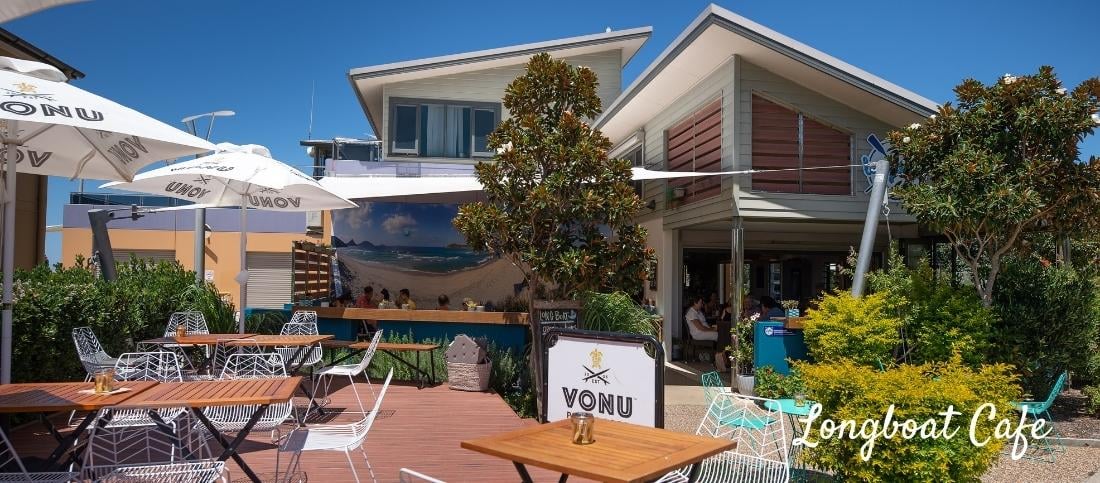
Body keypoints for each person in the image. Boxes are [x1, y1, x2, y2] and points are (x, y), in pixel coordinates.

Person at [685, 296, 724, 371]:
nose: (702, 304)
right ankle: (719, 359)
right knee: (719, 335)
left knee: (721, 333)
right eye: (700, 303)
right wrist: (713, 329)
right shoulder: (691, 313)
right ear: (695, 303)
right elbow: (700, 328)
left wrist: (713, 328)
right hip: (698, 333)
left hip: (704, 331)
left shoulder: (699, 311)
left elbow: (705, 324)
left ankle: (720, 356)